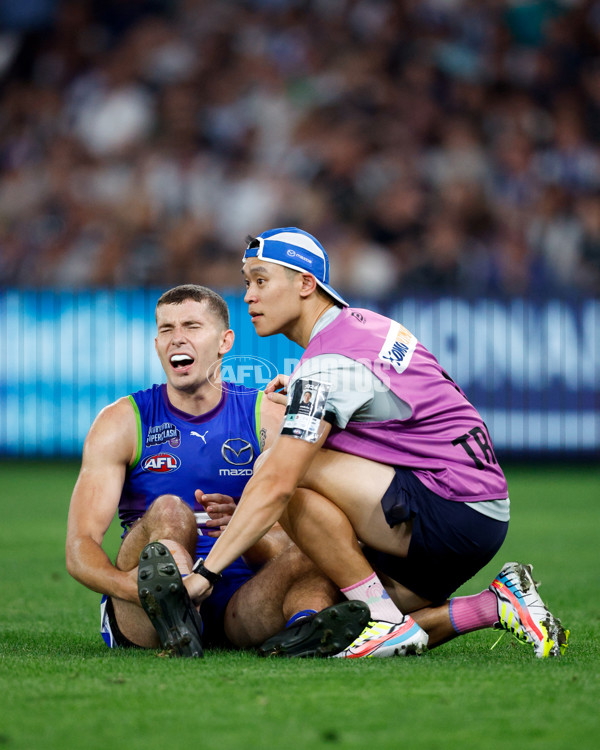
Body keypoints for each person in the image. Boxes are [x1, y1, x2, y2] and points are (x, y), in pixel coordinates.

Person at [181, 228, 569, 659]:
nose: (249, 296)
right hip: (479, 511)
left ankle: (382, 619)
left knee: (278, 466)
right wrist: (302, 390)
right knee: (347, 619)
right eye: (247, 282)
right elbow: (397, 401)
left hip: (447, 507)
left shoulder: (327, 365)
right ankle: (494, 604)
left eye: (261, 280)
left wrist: (207, 573)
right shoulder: (367, 326)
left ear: (306, 284)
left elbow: (277, 482)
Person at [66, 283, 369, 658]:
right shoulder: (122, 422)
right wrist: (138, 589)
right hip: (144, 612)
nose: (177, 339)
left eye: (191, 327)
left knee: (319, 548)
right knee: (170, 511)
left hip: (242, 599)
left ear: (225, 342)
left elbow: (302, 531)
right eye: (166, 330)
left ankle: (304, 629)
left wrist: (251, 530)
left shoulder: (268, 416)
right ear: (156, 345)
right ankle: (174, 611)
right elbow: (80, 548)